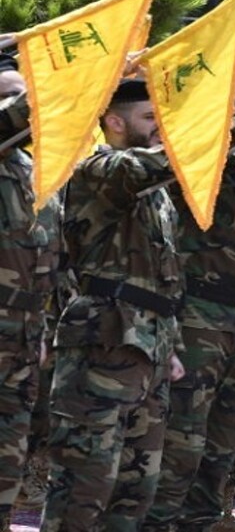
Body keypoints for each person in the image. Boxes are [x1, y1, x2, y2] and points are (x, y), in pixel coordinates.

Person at [142, 61, 235, 532]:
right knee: (180, 441)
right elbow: (195, 147)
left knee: (222, 443)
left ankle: (204, 520)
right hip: (195, 319)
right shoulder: (198, 158)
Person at [0, 55, 62, 531]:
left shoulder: (38, 170)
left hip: (24, 332)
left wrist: (43, 326)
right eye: (9, 95)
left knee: (9, 451)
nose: (22, 105)